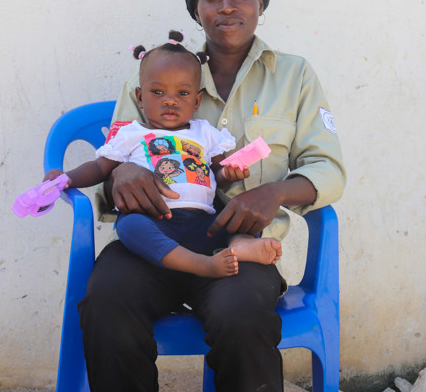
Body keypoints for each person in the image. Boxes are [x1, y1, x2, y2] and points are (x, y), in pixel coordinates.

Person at [72, 0, 345, 392]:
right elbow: (113, 157)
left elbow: (328, 168)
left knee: (243, 317)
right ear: (195, 10)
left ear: (261, 2)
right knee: (107, 301)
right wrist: (117, 175)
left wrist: (272, 193)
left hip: (239, 249)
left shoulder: (294, 77)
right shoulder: (153, 76)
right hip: (153, 239)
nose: (227, 7)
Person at [45, 31, 283, 278]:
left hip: (204, 222)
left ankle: (240, 245)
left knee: (238, 215)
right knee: (130, 225)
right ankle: (202, 265)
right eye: (158, 92)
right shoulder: (131, 134)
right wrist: (65, 178)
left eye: (182, 94)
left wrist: (229, 173)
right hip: (156, 220)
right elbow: (99, 168)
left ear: (197, 101)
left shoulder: (206, 133)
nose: (170, 101)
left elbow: (215, 177)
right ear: (139, 97)